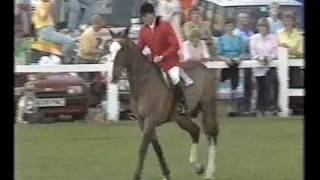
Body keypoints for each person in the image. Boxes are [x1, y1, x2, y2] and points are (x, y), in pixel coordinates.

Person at [138, 2, 194, 112]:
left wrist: (163, 56)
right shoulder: (144, 31)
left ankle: (182, 104)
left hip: (170, 62)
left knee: (174, 77)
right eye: (142, 17)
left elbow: (175, 45)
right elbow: (139, 48)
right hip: (155, 65)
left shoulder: (165, 25)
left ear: (151, 15)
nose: (144, 20)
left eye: (145, 17)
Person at [250, 18, 279, 116]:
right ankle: (259, 109)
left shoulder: (273, 38)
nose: (263, 28)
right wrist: (258, 58)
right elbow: (253, 51)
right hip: (258, 66)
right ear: (258, 27)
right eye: (261, 26)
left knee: (269, 86)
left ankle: (270, 108)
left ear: (268, 28)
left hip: (270, 66)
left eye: (264, 26)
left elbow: (275, 52)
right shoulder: (254, 38)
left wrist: (269, 58)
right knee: (260, 87)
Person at [217, 18, 245, 116]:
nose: (230, 28)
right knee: (227, 87)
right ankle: (228, 109)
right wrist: (225, 59)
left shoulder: (239, 39)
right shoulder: (220, 39)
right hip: (226, 65)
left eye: (231, 26)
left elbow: (243, 52)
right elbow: (218, 54)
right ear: (225, 27)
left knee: (236, 85)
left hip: (236, 63)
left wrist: (239, 58)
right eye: (228, 26)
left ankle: (235, 108)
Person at [278, 12, 304, 114]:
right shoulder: (280, 34)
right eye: (286, 20)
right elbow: (278, 47)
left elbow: (301, 53)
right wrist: (287, 49)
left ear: (293, 22)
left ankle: (296, 108)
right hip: (282, 64)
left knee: (295, 84)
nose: (287, 22)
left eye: (289, 20)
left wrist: (290, 50)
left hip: (295, 64)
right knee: (282, 84)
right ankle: (284, 106)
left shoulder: (298, 35)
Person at [233, 12, 255, 113]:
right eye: (241, 18)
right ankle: (238, 106)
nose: (244, 20)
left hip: (250, 61)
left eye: (245, 18)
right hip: (239, 61)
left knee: (248, 84)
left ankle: (248, 105)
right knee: (239, 84)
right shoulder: (236, 33)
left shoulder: (251, 33)